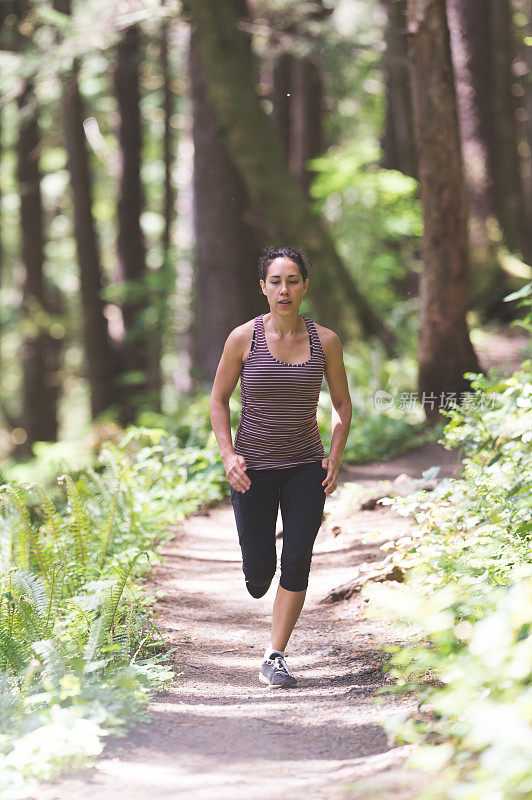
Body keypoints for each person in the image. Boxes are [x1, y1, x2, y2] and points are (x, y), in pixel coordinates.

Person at [209, 246, 352, 688]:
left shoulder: (325, 341)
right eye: (276, 281)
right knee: (259, 575)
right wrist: (228, 455)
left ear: (305, 286)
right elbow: (218, 400)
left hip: (306, 466)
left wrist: (335, 453)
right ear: (263, 287)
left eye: (293, 281)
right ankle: (259, 572)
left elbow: (342, 403)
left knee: (297, 560)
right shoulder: (243, 338)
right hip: (252, 470)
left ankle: (275, 655)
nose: (284, 289)